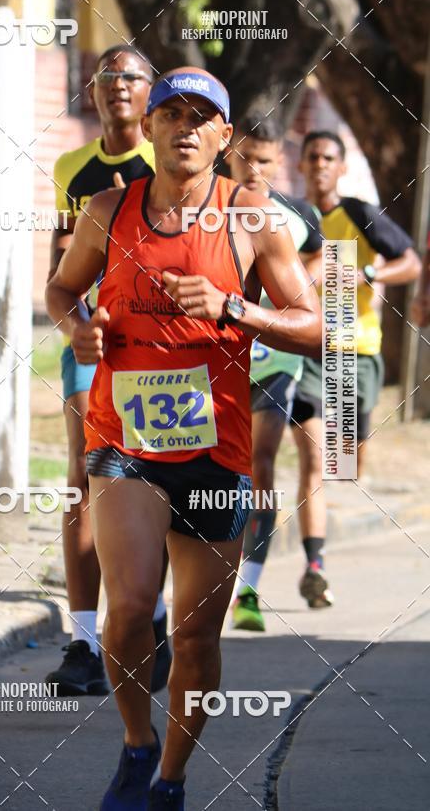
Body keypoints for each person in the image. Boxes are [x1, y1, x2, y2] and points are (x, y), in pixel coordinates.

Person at [46, 67, 322, 810]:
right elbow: (61, 288)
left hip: (216, 451)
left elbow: (317, 325)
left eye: (205, 117)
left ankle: (171, 777)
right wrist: (79, 328)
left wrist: (236, 308)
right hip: (124, 438)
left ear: (225, 138)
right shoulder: (108, 209)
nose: (187, 127)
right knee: (132, 608)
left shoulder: (254, 220)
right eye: (173, 113)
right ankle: (136, 747)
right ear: (152, 126)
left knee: (197, 641)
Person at [45, 44, 171, 696]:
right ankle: (83, 641)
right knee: (83, 475)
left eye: (130, 76)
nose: (117, 85)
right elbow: (58, 275)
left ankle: (151, 617)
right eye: (105, 75)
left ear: (151, 93)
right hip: (93, 348)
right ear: (91, 91)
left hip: (162, 357)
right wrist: (76, 329)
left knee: (158, 479)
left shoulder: (170, 164)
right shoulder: (72, 168)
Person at [290, 130, 421, 609]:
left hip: (355, 353)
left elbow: (409, 263)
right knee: (314, 463)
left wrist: (367, 274)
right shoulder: (290, 218)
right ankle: (315, 566)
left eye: (329, 157)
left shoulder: (360, 215)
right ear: (301, 165)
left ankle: (330, 531)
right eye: (312, 157)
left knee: (349, 465)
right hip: (306, 352)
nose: (320, 165)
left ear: (340, 167)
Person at [228, 116, 322, 632]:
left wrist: (300, 293)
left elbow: (319, 260)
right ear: (230, 154)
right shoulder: (209, 208)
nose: (255, 169)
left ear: (278, 162)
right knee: (217, 470)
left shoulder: (300, 214)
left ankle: (250, 588)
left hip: (276, 361)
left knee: (260, 464)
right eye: (246, 158)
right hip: (218, 362)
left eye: (265, 160)